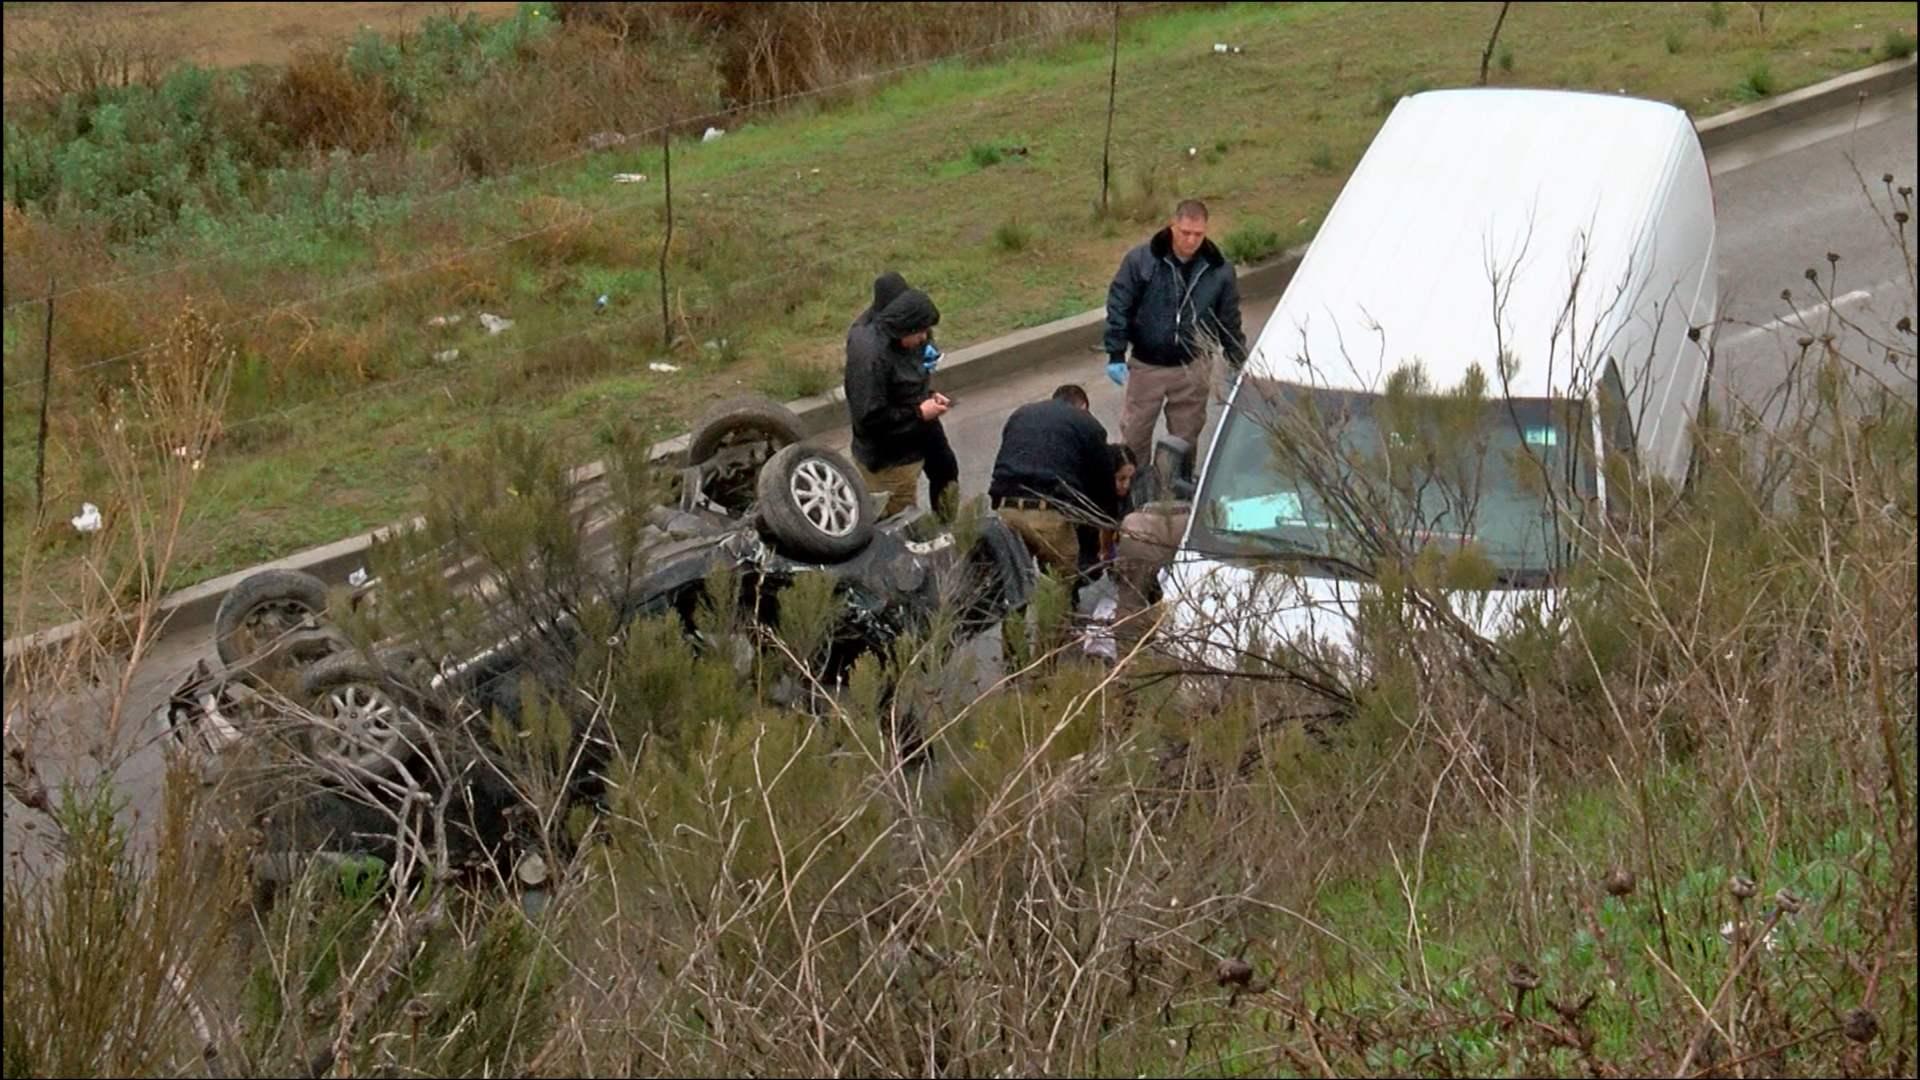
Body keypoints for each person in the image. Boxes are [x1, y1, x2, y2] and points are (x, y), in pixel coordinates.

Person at [1102, 198, 1248, 472]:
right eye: (1185, 232)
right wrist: (1116, 352)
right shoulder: (1142, 261)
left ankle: (1176, 497)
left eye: (1198, 234)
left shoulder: (1218, 271)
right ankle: (1135, 494)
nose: (1191, 240)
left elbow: (1228, 320)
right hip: (1148, 365)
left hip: (1192, 367)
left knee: (1186, 437)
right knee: (1135, 435)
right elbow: (1119, 304)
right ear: (1172, 226)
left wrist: (1237, 361)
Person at [987, 384, 1123, 597]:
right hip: (1046, 514)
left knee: (1016, 587)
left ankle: (1014, 628)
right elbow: (1103, 487)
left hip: (1007, 509)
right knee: (1061, 581)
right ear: (1084, 406)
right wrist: (1107, 539)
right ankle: (1056, 629)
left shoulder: (1021, 414)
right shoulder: (1086, 423)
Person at [848, 272, 959, 519]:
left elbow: (909, 372)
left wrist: (928, 397)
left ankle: (949, 527)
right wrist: (918, 412)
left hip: (919, 421)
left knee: (946, 471)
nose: (924, 339)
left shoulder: (907, 333)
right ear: (900, 327)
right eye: (919, 333)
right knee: (902, 514)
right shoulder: (870, 356)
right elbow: (871, 418)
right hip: (889, 450)